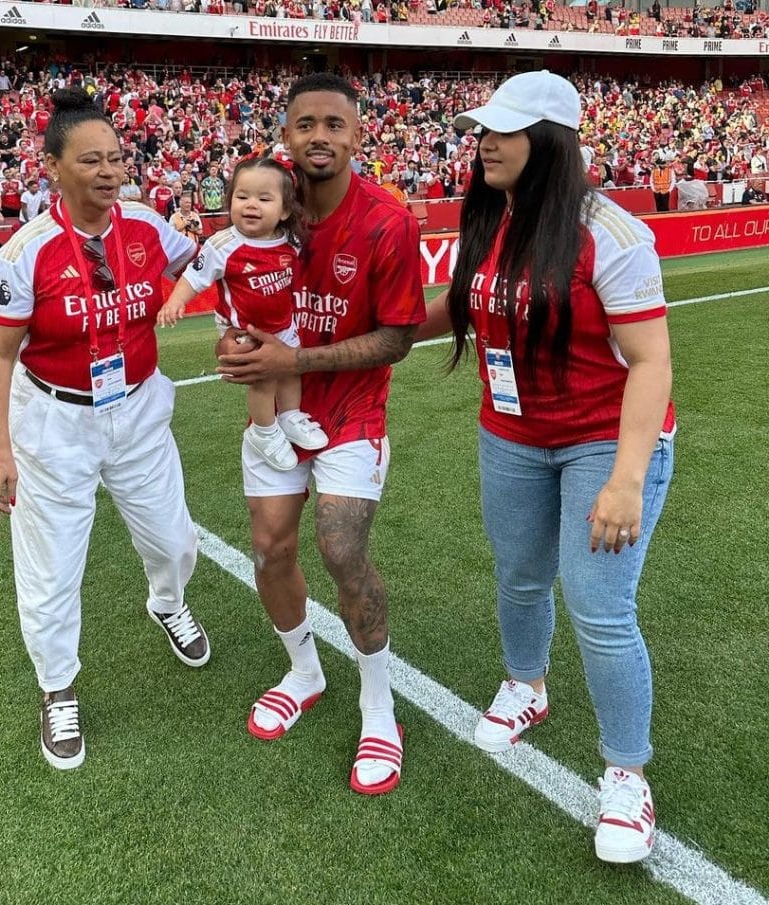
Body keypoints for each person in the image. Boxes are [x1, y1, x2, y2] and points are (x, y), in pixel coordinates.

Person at [417, 70, 674, 863]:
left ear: (551, 142)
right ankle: (526, 686)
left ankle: (627, 774)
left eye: (503, 130)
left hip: (605, 437)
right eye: (482, 130)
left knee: (599, 605)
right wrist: (365, 333)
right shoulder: (492, 215)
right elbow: (458, 305)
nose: (484, 143)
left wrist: (626, 478)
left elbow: (652, 362)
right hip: (513, 434)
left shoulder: (612, 234)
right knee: (520, 576)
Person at [0, 89, 210, 772]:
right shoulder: (25, 253)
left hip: (139, 410)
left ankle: (167, 603)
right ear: (53, 167)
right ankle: (58, 688)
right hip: (55, 423)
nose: (109, 172)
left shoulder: (147, 226)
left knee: (175, 539)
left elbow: (203, 265)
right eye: (91, 160)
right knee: (52, 569)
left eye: (116, 158)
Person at [215, 74, 425, 795]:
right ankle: (304, 671)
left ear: (358, 135)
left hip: (352, 411)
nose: (320, 136)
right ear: (286, 135)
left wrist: (293, 361)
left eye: (335, 124)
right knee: (270, 550)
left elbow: (398, 337)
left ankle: (378, 705)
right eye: (305, 124)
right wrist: (236, 347)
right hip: (278, 414)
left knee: (342, 548)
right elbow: (234, 307)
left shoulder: (387, 222)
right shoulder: (265, 207)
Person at [158, 154, 328, 471]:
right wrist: (175, 302)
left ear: (285, 210)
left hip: (284, 325)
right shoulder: (223, 245)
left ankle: (290, 416)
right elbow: (194, 276)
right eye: (242, 196)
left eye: (264, 198)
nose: (251, 205)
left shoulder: (291, 241)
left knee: (291, 370)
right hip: (244, 331)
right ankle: (263, 432)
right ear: (230, 200)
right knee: (263, 379)